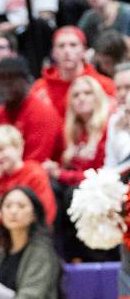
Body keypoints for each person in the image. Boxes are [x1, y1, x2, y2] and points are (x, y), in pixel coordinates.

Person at [0, 56, 65, 192]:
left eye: (11, 80)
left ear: (26, 82)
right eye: (0, 80)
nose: (5, 85)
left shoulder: (42, 114)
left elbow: (33, 166)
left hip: (38, 181)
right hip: (0, 178)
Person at [47, 75, 114, 260]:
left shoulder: (108, 126)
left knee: (74, 193)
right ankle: (56, 253)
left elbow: (100, 175)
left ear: (98, 97)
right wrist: (56, 170)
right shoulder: (72, 131)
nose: (81, 98)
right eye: (76, 95)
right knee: (50, 188)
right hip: (77, 185)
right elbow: (69, 170)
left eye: (87, 93)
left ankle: (92, 256)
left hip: (105, 189)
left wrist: (61, 174)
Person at [0, 125, 57, 227]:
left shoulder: (34, 173)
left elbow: (46, 215)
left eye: (1, 150)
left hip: (31, 234)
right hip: (1, 235)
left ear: (18, 147)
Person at [105, 63, 130, 170]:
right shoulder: (114, 120)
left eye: (128, 87)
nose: (122, 93)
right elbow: (110, 162)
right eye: (118, 89)